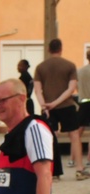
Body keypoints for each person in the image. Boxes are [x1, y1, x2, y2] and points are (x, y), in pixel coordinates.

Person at [34, 39, 84, 179]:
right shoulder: (69, 65)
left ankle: (53, 172)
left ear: (49, 49)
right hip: (66, 105)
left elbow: (37, 91)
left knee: (50, 138)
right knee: (74, 136)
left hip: (48, 107)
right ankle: (79, 169)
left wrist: (45, 106)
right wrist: (56, 102)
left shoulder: (40, 67)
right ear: (61, 49)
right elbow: (71, 88)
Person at [76, 48, 90, 173]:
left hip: (83, 102)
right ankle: (89, 157)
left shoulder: (80, 71)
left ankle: (74, 157)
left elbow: (76, 86)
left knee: (78, 132)